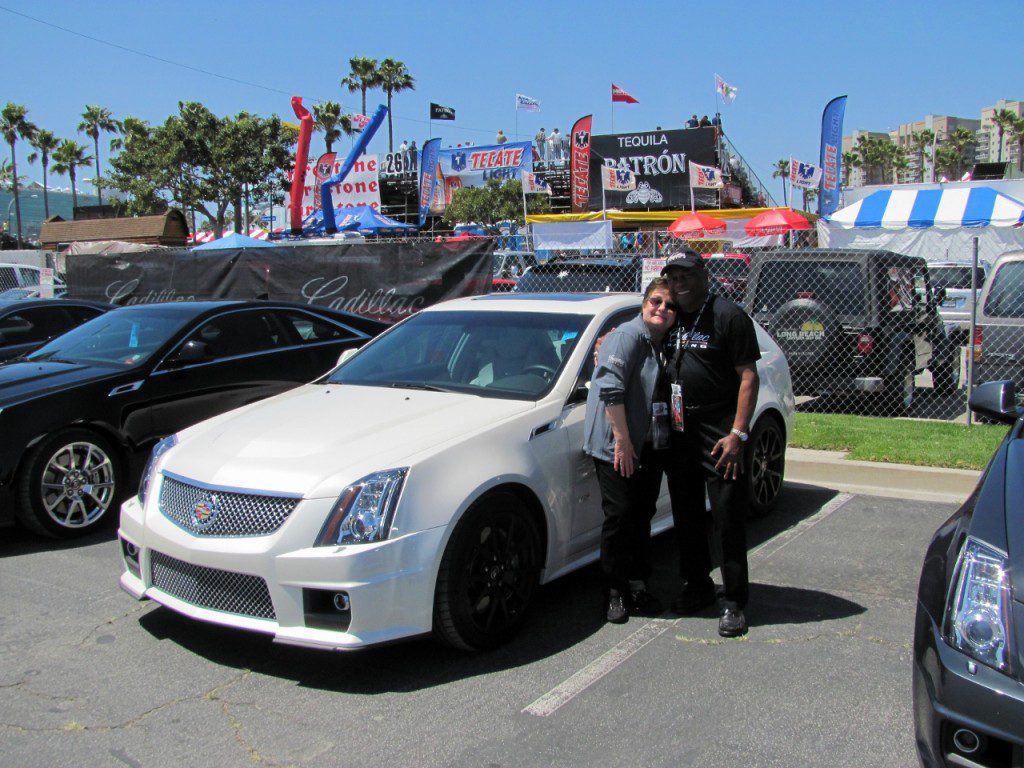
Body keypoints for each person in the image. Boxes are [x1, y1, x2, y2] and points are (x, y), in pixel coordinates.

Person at [660, 249, 760, 638]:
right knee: (686, 513)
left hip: (719, 428)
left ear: (704, 275)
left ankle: (734, 600)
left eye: (686, 275)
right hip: (680, 427)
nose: (679, 283)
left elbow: (748, 376)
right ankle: (697, 585)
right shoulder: (671, 316)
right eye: (673, 277)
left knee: (727, 516)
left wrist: (738, 433)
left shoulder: (728, 316)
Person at [584, 278, 679, 623]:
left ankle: (638, 584)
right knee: (620, 516)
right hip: (619, 445)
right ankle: (614, 591)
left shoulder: (662, 341)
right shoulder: (627, 336)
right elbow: (609, 387)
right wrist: (622, 442)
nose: (662, 309)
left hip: (649, 443)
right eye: (656, 301)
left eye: (670, 306)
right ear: (644, 303)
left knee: (642, 515)